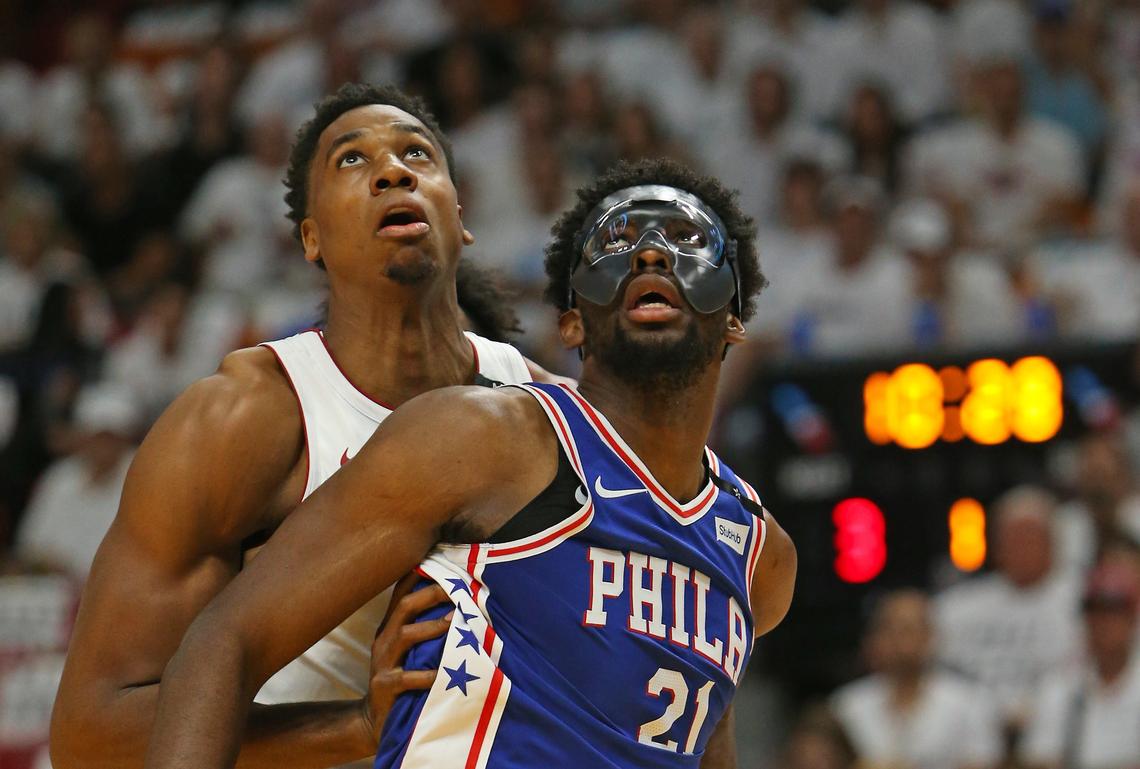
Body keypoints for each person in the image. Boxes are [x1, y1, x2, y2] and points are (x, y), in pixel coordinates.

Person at [142, 157, 798, 769]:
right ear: (572, 324)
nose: (652, 254)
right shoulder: (481, 439)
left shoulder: (759, 557)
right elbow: (224, 640)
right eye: (617, 242)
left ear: (735, 321)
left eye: (687, 240)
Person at [50, 82, 560, 769]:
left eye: (418, 154)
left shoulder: (554, 412)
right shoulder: (240, 419)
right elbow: (92, 733)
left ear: (459, 213)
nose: (393, 170)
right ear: (311, 239)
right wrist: (354, 726)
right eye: (353, 160)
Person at [830, 590, 1003, 769]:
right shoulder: (847, 704)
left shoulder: (971, 701)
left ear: (931, 636)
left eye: (907, 629)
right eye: (888, 629)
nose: (897, 640)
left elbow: (982, 762)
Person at [1020, 561, 1140, 769]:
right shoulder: (1061, 687)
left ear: (1132, 619)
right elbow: (1039, 760)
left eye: (1114, 612)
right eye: (1094, 612)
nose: (1103, 623)